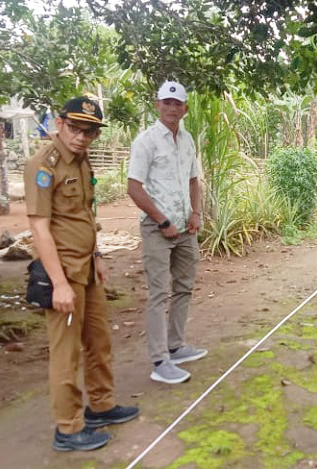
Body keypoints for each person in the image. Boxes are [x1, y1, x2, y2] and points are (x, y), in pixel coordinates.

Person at [24, 96, 139, 452]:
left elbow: (85, 216)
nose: (82, 136)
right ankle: (69, 428)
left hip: (87, 268)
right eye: (75, 127)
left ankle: (101, 406)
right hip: (64, 273)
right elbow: (40, 229)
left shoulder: (82, 161)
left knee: (99, 341)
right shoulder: (43, 165)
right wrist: (58, 284)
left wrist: (98, 255)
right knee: (66, 354)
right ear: (59, 124)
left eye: (89, 131)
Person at [127, 81, 207, 385]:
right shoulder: (146, 141)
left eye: (178, 103)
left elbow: (193, 181)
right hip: (157, 228)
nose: (173, 108)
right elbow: (134, 188)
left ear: (185, 108)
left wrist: (195, 213)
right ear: (157, 105)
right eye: (167, 102)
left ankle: (176, 346)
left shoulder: (187, 140)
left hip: (186, 227)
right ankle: (160, 360)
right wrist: (162, 221)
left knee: (185, 286)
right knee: (159, 293)